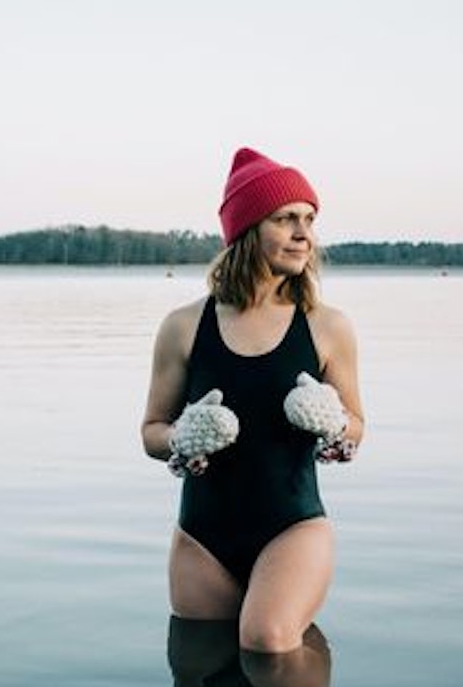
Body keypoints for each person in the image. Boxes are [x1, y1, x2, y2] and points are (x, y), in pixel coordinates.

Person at [142, 146, 366, 655]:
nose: (303, 233)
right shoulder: (183, 327)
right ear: (246, 230)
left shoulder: (328, 326)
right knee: (200, 661)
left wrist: (336, 424)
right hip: (202, 539)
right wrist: (179, 436)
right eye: (285, 218)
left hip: (292, 526)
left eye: (309, 219)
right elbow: (151, 431)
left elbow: (357, 425)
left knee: (266, 641)